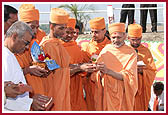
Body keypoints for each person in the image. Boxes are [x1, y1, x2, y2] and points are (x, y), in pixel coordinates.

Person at [3, 21, 53, 111]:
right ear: (14, 36)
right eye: (26, 43)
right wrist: (30, 102)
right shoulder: (4, 56)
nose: (26, 48)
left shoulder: (9, 54)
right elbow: (7, 95)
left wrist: (30, 100)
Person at [91, 23, 138, 111]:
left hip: (123, 94)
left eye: (119, 37)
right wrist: (99, 71)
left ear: (125, 36)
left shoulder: (131, 52)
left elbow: (130, 77)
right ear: (109, 36)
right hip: (107, 93)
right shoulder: (106, 50)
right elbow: (95, 75)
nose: (116, 40)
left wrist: (108, 71)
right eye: (113, 37)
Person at [39, 8, 71, 111]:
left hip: (62, 90)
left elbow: (63, 67)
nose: (64, 31)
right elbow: (54, 70)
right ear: (51, 26)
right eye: (61, 28)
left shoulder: (58, 43)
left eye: (65, 28)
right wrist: (79, 68)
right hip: (52, 91)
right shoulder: (45, 46)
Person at [15, 4, 48, 97]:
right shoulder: (13, 43)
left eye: (37, 27)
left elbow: (44, 58)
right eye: (32, 27)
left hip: (39, 86)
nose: (35, 31)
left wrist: (47, 65)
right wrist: (27, 70)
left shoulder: (39, 37)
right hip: (22, 90)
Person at [81, 17, 111, 110]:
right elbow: (82, 67)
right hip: (92, 86)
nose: (94, 35)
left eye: (96, 32)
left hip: (108, 86)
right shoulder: (87, 47)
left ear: (104, 31)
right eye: (92, 32)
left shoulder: (111, 46)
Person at [127, 24, 157, 111]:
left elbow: (152, 71)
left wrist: (142, 72)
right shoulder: (124, 51)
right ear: (128, 38)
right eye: (133, 40)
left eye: (138, 39)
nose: (136, 42)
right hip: (129, 88)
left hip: (142, 90)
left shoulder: (146, 51)